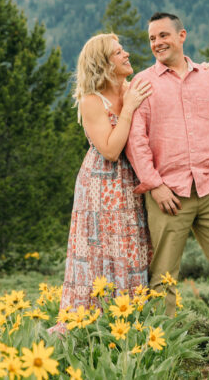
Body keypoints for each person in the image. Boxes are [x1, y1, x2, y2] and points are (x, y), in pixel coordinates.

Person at [126, 12, 209, 345]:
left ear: (181, 35)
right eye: (152, 38)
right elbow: (135, 139)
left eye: (163, 35)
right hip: (168, 195)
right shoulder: (142, 83)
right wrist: (154, 185)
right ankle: (163, 348)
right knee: (163, 277)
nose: (157, 43)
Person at [52, 33, 154, 328]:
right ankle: (91, 323)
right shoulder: (92, 101)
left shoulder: (133, 87)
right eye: (118, 52)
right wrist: (129, 108)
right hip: (101, 185)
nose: (127, 55)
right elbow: (109, 150)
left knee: (130, 247)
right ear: (104, 63)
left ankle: (130, 319)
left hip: (130, 181)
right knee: (101, 250)